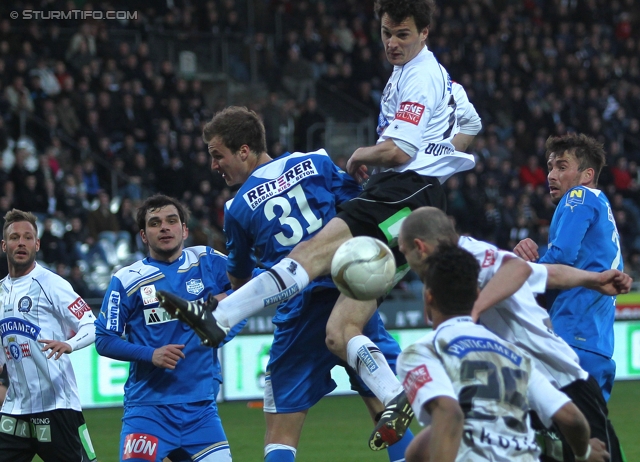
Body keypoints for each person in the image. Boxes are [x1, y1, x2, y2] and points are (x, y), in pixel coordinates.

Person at [159, 0, 480, 450]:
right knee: (340, 334)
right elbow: (471, 120)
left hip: (400, 190)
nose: (392, 41)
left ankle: (220, 317)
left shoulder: (421, 75)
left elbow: (399, 151)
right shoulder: (426, 78)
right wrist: (445, 157)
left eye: (403, 33)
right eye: (387, 32)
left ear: (425, 33)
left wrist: (363, 155)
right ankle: (394, 395)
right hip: (411, 205)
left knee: (307, 253)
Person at [160, 106, 412, 462]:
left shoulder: (237, 208)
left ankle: (217, 317)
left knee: (281, 429)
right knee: (382, 403)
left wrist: (223, 286)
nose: (214, 166)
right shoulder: (318, 162)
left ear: (244, 151)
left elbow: (241, 275)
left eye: (218, 156)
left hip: (300, 311)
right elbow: (356, 212)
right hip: (348, 294)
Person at [398, 206, 625, 462]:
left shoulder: (470, 253)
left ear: (420, 247)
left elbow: (519, 269)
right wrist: (593, 279)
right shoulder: (452, 271)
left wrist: (472, 313)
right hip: (518, 387)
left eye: (404, 253)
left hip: (560, 379)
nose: (406, 262)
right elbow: (546, 273)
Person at [95, 194, 243, 462]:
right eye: (154, 223)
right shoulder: (127, 280)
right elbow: (104, 339)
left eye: (171, 221)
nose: (164, 227)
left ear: (185, 229)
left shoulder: (207, 261)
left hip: (201, 410)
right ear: (143, 235)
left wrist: (221, 330)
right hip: (147, 411)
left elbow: (250, 288)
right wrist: (151, 355)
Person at [513, 134, 621, 403]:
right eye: (550, 167)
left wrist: (519, 272)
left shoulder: (579, 196)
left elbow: (562, 258)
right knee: (589, 440)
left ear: (586, 174)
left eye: (562, 167)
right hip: (597, 344)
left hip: (571, 337)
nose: (551, 175)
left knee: (547, 434)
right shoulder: (600, 205)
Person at [0, 209, 97, 462]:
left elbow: (91, 325)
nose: (21, 242)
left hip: (57, 408)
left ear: (37, 244)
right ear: (4, 245)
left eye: (28, 237)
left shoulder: (51, 283)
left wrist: (69, 344)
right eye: (14, 237)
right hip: (15, 410)